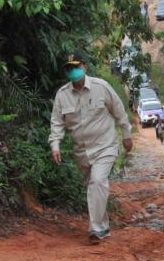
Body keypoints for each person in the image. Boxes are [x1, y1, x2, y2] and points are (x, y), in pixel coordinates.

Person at [49, 52, 133, 243]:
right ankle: (103, 227)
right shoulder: (62, 95)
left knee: (97, 181)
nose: (73, 71)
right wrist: (55, 145)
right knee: (93, 187)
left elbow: (119, 111)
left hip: (105, 146)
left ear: (84, 67)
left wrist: (127, 135)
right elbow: (57, 123)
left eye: (76, 67)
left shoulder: (101, 87)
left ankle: (95, 229)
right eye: (70, 68)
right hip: (82, 152)